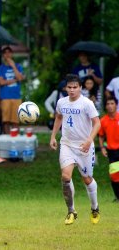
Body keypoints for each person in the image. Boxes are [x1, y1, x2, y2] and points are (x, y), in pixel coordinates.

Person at [50, 74, 101, 225]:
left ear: (80, 88)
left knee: (87, 179)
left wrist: (89, 140)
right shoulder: (61, 102)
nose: (72, 90)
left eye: (75, 87)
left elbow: (97, 123)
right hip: (66, 144)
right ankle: (71, 211)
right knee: (66, 177)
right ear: (66, 88)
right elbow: (59, 118)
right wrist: (53, 136)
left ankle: (94, 207)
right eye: (69, 87)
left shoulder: (87, 104)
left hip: (84, 146)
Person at [0, 46, 25, 134]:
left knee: (16, 121)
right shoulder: (0, 68)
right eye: (5, 53)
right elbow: (1, 82)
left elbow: (20, 78)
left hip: (16, 97)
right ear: (3, 55)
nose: (7, 54)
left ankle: (15, 139)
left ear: (12, 54)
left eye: (9, 52)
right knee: (6, 121)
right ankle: (7, 140)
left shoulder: (18, 66)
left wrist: (13, 66)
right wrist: (15, 80)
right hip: (5, 97)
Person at [98, 97, 119, 202]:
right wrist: (102, 148)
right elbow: (101, 136)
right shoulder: (103, 120)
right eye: (108, 104)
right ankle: (117, 196)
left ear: (116, 105)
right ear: (106, 106)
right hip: (112, 151)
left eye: (112, 103)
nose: (110, 106)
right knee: (114, 176)